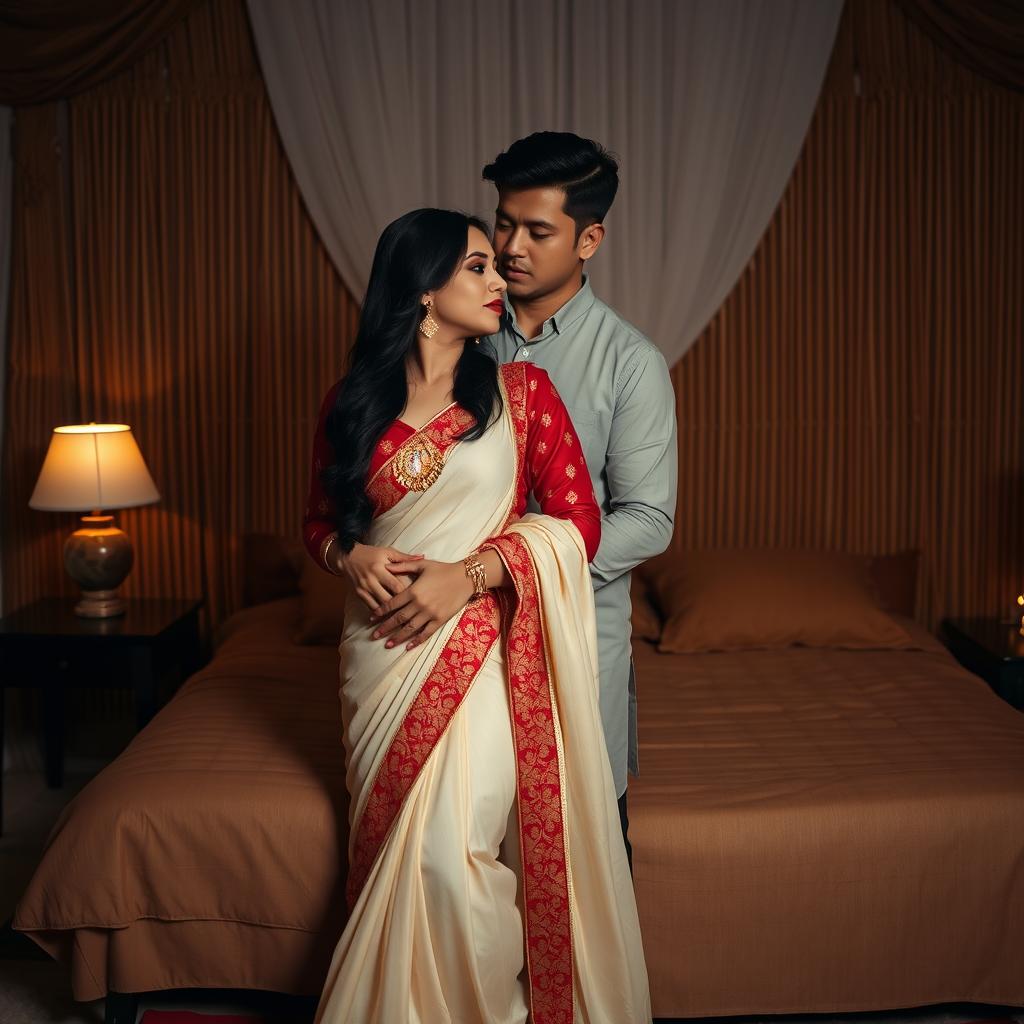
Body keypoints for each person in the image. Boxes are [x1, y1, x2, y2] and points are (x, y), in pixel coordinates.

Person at [302, 208, 651, 1023]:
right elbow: (320, 522)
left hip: (483, 646)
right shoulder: (350, 402)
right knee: (405, 847)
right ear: (424, 291)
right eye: (478, 267)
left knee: (452, 856)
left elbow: (579, 524)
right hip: (381, 653)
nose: (502, 280)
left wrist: (472, 572)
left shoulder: (519, 396)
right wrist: (346, 557)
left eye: (498, 266)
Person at [478, 132, 678, 871]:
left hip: (576, 654)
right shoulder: (456, 342)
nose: (511, 246)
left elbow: (648, 520)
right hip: (456, 648)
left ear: (589, 238)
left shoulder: (632, 363)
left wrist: (515, 566)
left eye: (538, 231)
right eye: (503, 222)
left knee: (586, 879)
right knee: (469, 877)